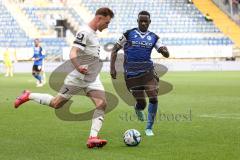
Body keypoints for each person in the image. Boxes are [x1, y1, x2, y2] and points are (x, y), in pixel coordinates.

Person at [14, 7, 114, 148]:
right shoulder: (84, 32)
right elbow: (73, 53)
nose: (107, 25)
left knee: (102, 103)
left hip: (92, 79)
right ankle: (28, 95)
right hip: (77, 78)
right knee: (56, 104)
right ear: (99, 18)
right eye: (107, 22)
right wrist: (79, 66)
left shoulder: (93, 33)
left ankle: (93, 138)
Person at [110, 11, 169, 136]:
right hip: (131, 74)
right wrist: (112, 68)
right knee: (142, 103)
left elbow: (165, 52)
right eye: (141, 21)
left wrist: (164, 52)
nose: (143, 23)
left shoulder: (154, 37)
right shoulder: (128, 34)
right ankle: (138, 108)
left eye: (145, 21)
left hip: (148, 72)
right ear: (137, 21)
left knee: (153, 97)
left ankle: (149, 128)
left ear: (149, 22)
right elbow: (114, 50)